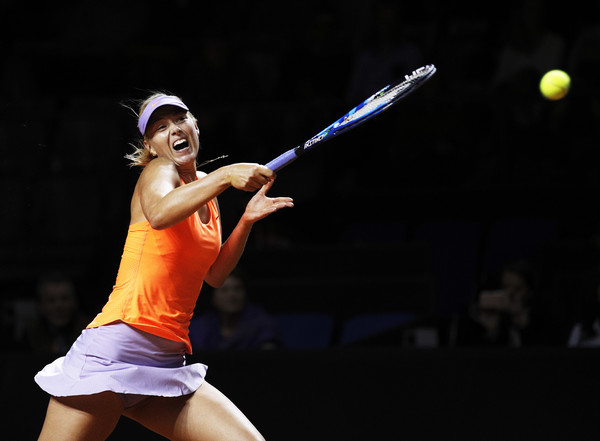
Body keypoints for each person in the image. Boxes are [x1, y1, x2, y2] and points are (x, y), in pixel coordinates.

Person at [34, 93, 293, 441]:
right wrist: (225, 174)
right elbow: (158, 214)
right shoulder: (159, 170)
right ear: (151, 146)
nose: (173, 129)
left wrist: (245, 220)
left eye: (180, 119)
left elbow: (214, 276)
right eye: (160, 127)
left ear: (195, 126)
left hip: (166, 362)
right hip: (115, 351)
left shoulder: (206, 191)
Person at [190, 270, 283, 350]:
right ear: (213, 298)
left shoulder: (262, 324)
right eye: (224, 290)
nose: (232, 295)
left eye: (237, 289)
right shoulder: (199, 328)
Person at [24, 272, 91, 357]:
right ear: (41, 306)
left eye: (65, 298)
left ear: (74, 302)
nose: (59, 306)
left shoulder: (88, 331)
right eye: (51, 300)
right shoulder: (31, 334)